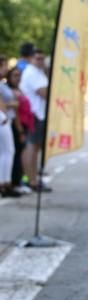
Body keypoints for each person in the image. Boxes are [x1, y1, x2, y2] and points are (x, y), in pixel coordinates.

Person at [19, 49, 51, 193]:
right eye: (37, 58)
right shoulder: (31, 72)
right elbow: (44, 93)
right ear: (31, 58)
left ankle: (33, 177)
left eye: (42, 58)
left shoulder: (39, 72)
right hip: (34, 114)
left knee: (36, 147)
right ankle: (30, 179)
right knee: (31, 147)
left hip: (40, 114)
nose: (40, 61)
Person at [6, 67, 32, 194]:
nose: (18, 78)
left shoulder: (20, 90)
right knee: (15, 155)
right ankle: (14, 182)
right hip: (16, 126)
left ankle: (19, 180)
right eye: (15, 75)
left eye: (19, 75)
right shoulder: (10, 92)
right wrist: (20, 130)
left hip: (24, 125)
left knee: (19, 154)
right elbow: (15, 112)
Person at [0, 57, 20, 197]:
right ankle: (4, 183)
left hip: (5, 119)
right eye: (4, 66)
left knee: (6, 152)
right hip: (3, 120)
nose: (6, 69)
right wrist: (11, 106)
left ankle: (5, 182)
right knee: (8, 151)